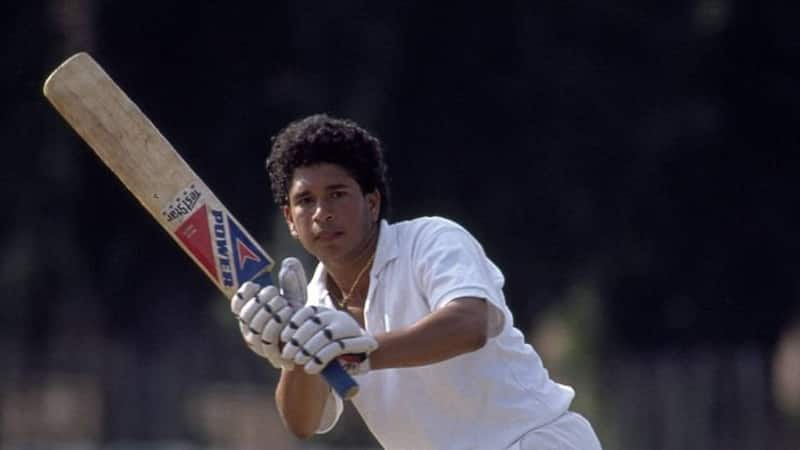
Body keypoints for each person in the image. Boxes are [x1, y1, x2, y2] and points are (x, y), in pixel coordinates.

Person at [231, 114, 602, 449]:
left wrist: (358, 352)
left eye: (337, 195)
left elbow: (470, 325)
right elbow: (303, 423)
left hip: (530, 441)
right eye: (305, 200)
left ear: (372, 203)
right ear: (290, 220)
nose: (322, 214)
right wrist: (294, 355)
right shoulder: (312, 304)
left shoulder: (431, 240)